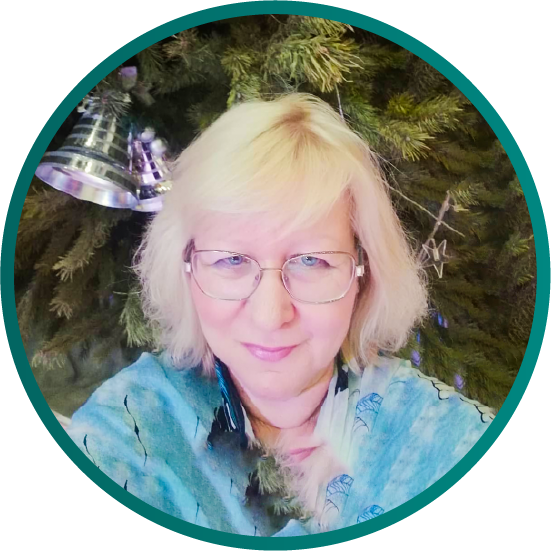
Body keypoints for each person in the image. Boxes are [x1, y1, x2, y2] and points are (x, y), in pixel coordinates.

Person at [66, 93, 494, 536]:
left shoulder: (459, 449)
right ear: (186, 269)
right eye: (231, 260)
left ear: (363, 274)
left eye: (311, 261)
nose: (271, 315)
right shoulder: (125, 433)